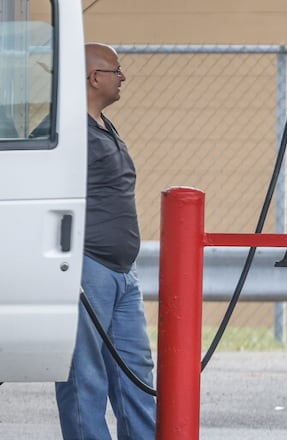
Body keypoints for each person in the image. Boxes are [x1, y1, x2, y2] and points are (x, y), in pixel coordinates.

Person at [55, 42, 156, 440]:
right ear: (94, 77)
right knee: (85, 377)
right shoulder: (69, 132)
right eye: (117, 69)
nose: (123, 76)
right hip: (87, 268)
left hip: (122, 273)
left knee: (135, 372)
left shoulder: (102, 124)